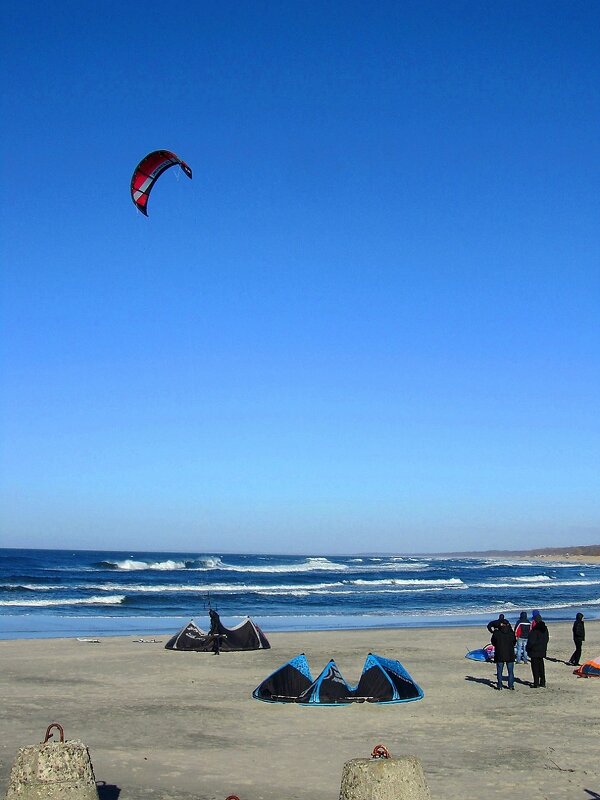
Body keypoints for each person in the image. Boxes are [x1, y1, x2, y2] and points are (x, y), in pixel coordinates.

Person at [491, 618, 517, 690]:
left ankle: (500, 685)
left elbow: (493, 642)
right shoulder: (511, 633)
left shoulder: (497, 633)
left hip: (500, 653)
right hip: (509, 654)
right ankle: (511, 685)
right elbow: (514, 642)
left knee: (500, 671)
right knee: (510, 671)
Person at [526, 614, 549, 687]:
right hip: (542, 650)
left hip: (535, 651)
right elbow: (546, 639)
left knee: (535, 667)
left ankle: (536, 683)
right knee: (541, 666)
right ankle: (542, 682)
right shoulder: (545, 629)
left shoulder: (535, 630)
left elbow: (531, 641)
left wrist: (528, 648)